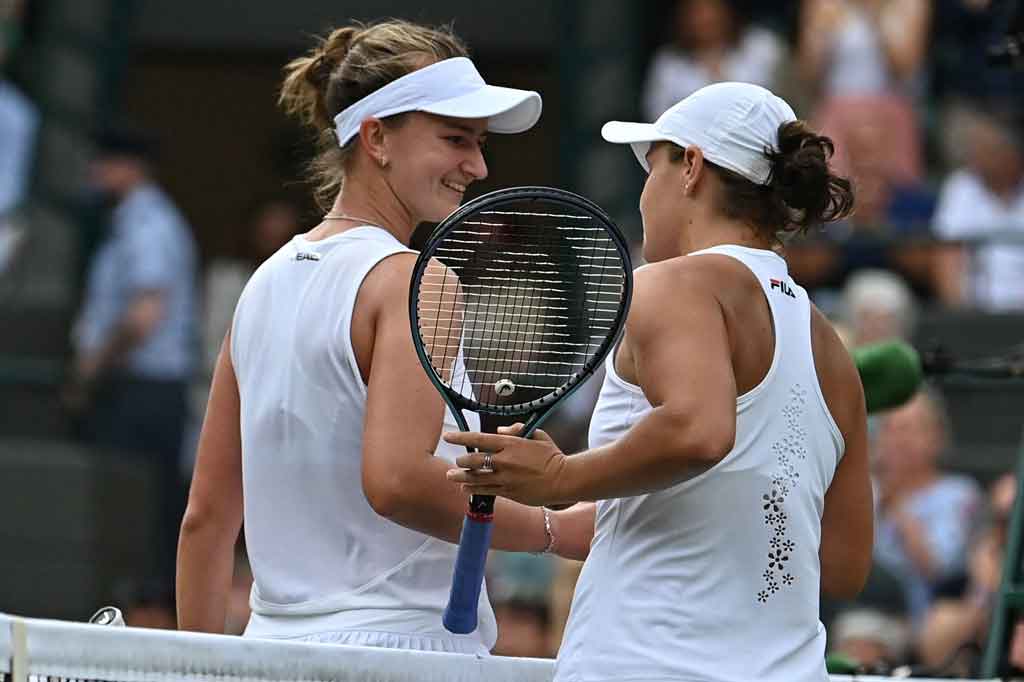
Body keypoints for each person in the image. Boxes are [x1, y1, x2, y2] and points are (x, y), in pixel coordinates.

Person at [175, 20, 592, 654]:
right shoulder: (416, 281)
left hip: (268, 651)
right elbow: (395, 480)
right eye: (455, 139)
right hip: (400, 650)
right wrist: (554, 529)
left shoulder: (261, 283)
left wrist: (195, 667)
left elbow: (205, 519)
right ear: (376, 138)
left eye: (479, 144)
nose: (477, 166)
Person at [447, 82, 871, 681]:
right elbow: (845, 565)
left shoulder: (670, 283)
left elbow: (700, 431)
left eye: (652, 167)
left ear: (691, 167)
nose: (645, 192)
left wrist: (562, 475)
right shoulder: (833, 349)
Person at [69, 124, 198, 586]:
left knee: (141, 515)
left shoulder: (149, 223)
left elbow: (145, 314)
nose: (96, 172)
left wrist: (92, 367)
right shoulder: (129, 220)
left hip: (144, 387)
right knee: (127, 513)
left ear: (130, 167)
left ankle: (146, 613)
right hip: (135, 384)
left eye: (105, 162)